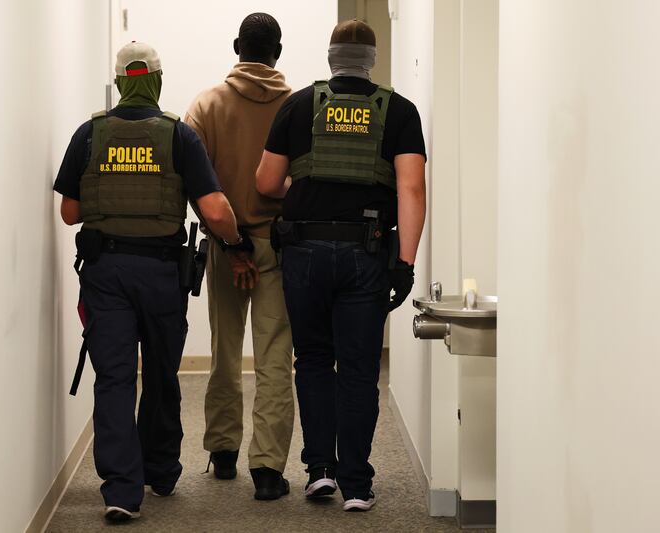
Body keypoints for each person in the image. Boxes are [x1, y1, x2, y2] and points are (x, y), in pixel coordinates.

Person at [53, 42, 252, 523]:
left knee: (116, 377)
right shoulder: (177, 136)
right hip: (162, 273)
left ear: (120, 81)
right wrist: (237, 243)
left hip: (106, 274)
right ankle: (160, 470)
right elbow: (214, 209)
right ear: (157, 80)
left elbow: (70, 212)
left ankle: (121, 489)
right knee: (162, 372)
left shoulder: (90, 133)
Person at [256, 20, 427, 512]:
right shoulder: (399, 110)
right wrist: (405, 263)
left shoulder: (299, 105)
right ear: (371, 61)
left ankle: (319, 472)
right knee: (357, 368)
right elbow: (411, 190)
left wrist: (303, 190)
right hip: (367, 252)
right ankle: (357, 483)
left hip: (305, 252)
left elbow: (266, 182)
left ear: (331, 58)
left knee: (311, 359)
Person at [184, 13, 295, 500]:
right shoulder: (296, 108)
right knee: (275, 357)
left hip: (225, 244)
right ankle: (268, 470)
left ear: (236, 46)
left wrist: (229, 242)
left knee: (225, 352)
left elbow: (193, 182)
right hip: (279, 243)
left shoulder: (205, 106)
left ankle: (224, 452)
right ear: (278, 50)